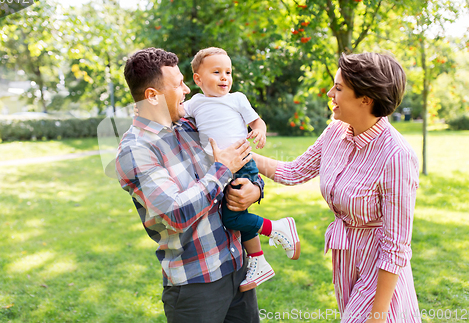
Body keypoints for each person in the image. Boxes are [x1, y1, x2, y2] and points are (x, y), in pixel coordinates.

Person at [253, 52, 421, 323]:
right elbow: (294, 171)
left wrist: (377, 315)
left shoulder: (397, 155)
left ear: (365, 99)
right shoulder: (335, 132)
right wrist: (246, 157)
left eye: (339, 88)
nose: (330, 93)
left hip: (378, 272)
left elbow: (396, 248)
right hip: (344, 260)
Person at [116, 47, 263, 323]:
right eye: (178, 84)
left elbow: (239, 159)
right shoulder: (136, 150)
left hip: (237, 269)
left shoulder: (188, 125)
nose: (186, 90)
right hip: (197, 285)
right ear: (152, 96)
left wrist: (255, 189)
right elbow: (174, 214)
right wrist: (222, 171)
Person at [184, 47, 300, 292]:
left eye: (228, 71)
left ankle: (277, 228)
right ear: (198, 79)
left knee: (233, 217)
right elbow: (174, 113)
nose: (225, 77)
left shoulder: (236, 99)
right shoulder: (195, 103)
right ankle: (258, 260)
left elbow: (257, 121)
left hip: (242, 163)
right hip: (220, 169)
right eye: (216, 72)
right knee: (238, 214)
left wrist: (260, 130)